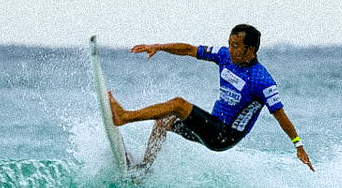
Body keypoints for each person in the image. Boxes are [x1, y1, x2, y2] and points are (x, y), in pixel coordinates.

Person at [109, 24, 314, 173]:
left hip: (224, 136)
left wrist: (298, 146)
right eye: (229, 44)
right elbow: (190, 50)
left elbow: (280, 114)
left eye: (236, 46)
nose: (230, 50)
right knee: (163, 122)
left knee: (178, 105)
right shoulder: (224, 56)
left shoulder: (262, 81)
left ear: (250, 49)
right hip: (210, 127)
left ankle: (125, 117)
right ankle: (143, 169)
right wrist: (158, 46)